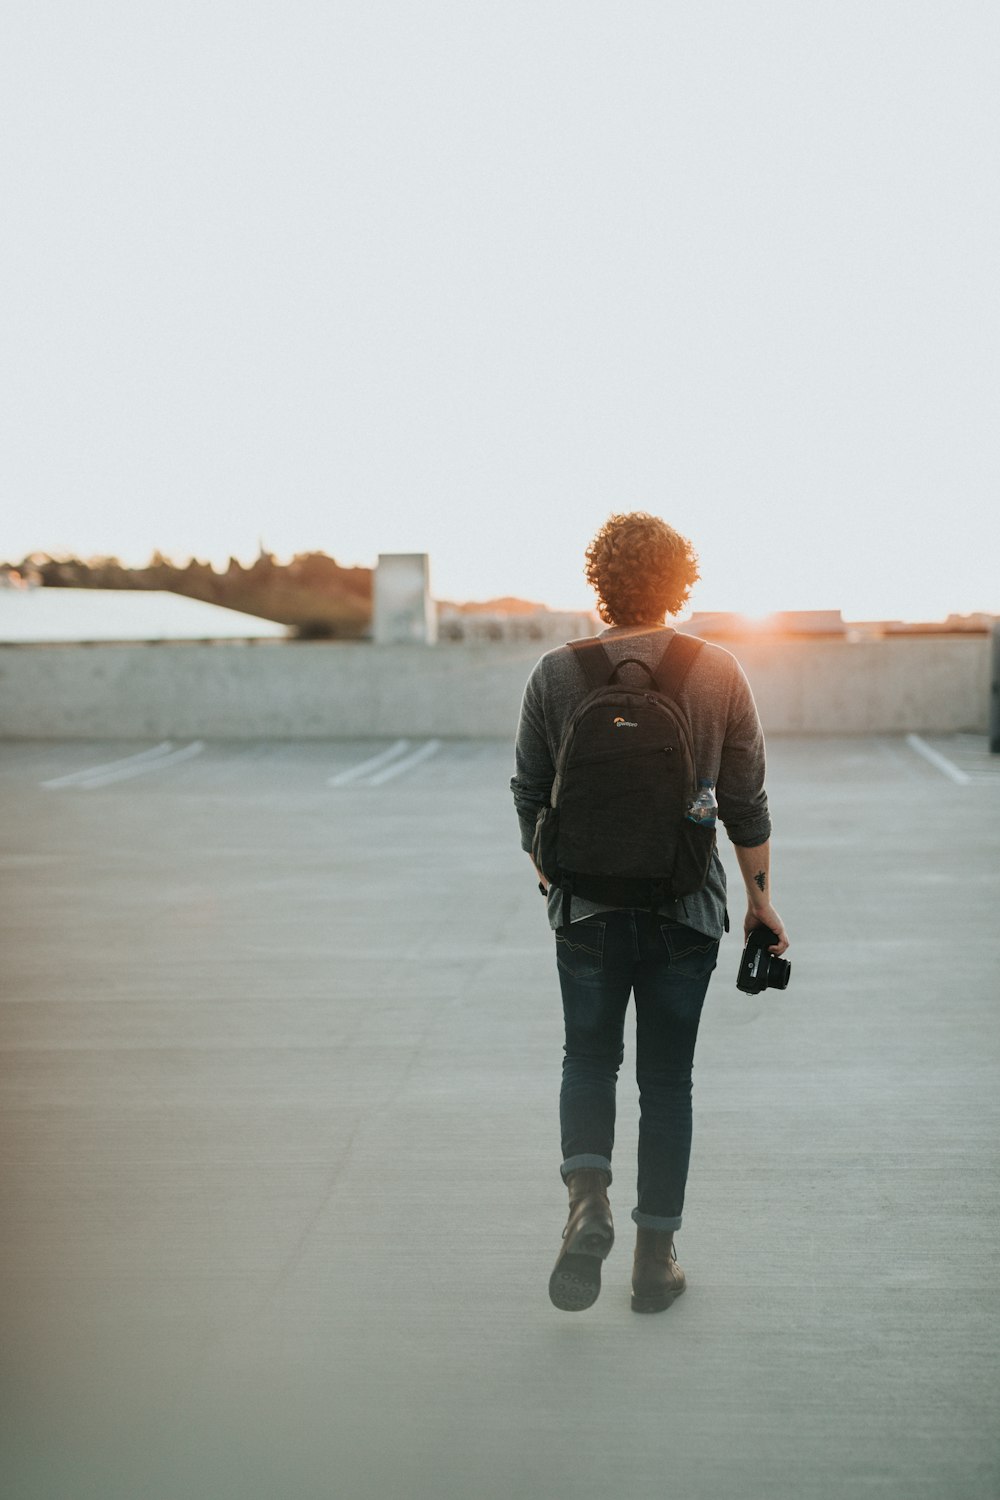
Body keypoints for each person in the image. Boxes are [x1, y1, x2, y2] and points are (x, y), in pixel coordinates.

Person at [510, 511, 789, 1314]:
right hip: (685, 912)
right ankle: (652, 1258)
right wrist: (762, 903)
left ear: (600, 582)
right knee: (668, 1083)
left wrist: (553, 876)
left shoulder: (555, 675)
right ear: (680, 583)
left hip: (586, 911)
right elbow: (746, 803)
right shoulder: (719, 671)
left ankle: (586, 1203)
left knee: (589, 1061)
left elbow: (530, 794)